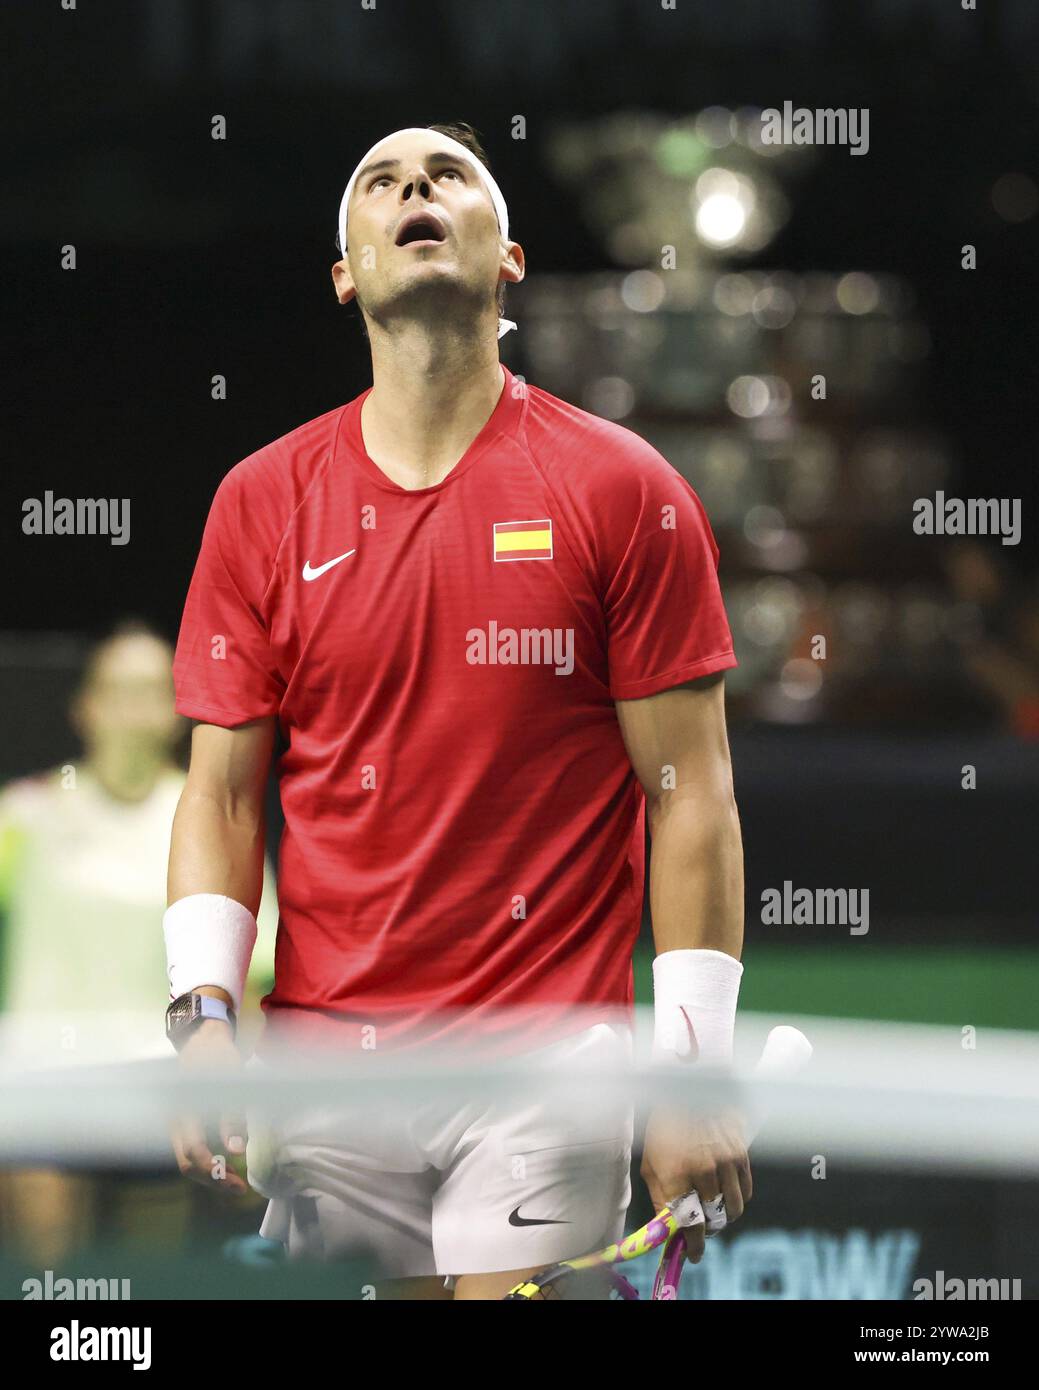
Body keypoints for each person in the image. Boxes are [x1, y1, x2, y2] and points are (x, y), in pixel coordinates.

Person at [166, 123, 748, 1300]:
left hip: (547, 1058)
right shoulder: (260, 501)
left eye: (446, 177)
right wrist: (203, 1017)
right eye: (379, 182)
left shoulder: (624, 490)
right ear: (346, 273)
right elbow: (221, 791)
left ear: (509, 257)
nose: (413, 190)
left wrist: (692, 1073)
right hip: (329, 1070)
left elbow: (691, 798)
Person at [0, 621, 277, 1263]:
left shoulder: (207, 820)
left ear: (176, 711)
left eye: (152, 688)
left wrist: (250, 1107)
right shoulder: (26, 814)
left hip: (165, 1099)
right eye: (117, 688)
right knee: (50, 1282)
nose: (133, 705)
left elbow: (256, 979)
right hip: (47, 1092)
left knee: (147, 1288)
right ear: (85, 706)